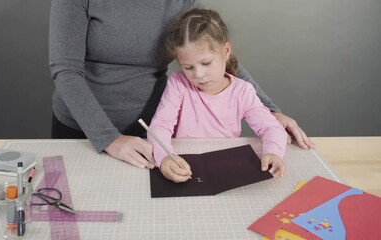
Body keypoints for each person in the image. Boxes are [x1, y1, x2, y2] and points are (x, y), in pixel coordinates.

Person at [49, 0, 313, 170]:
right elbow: (66, 70)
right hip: (84, 131)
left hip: (154, 136)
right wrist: (109, 138)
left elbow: (212, 52)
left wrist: (269, 109)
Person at [147, 8, 287, 183]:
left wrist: (273, 152)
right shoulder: (178, 83)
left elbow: (271, 128)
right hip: (184, 160)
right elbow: (160, 125)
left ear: (226, 51)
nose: (198, 75)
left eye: (206, 63)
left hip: (225, 164)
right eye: (188, 67)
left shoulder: (243, 91)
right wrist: (164, 157)